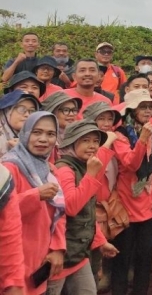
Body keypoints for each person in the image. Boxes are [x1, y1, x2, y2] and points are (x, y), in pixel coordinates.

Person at [49, 121, 118, 295]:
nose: (92, 146)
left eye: (95, 141)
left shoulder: (83, 166)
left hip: (78, 254)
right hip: (62, 254)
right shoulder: (65, 169)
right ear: (72, 142)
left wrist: (101, 241)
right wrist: (92, 175)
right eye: (86, 140)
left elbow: (86, 213)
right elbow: (71, 207)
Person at [111, 89, 152, 295]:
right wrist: (143, 140)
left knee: (144, 259)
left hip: (150, 206)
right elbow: (130, 164)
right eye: (142, 106)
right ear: (132, 110)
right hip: (127, 206)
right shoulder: (121, 135)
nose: (147, 110)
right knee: (123, 259)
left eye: (149, 107)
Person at [1, 112, 67, 295]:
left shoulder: (48, 168)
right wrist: (35, 194)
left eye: (50, 134)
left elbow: (59, 211)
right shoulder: (9, 168)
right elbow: (5, 212)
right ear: (25, 133)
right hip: (12, 266)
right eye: (36, 132)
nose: (43, 139)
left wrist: (58, 248)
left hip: (38, 263)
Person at [0, 161, 25, 295]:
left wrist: (14, 284)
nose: (43, 140)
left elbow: (8, 234)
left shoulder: (2, 177)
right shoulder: (11, 165)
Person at [0, 89, 41, 156]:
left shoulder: (38, 137)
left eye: (32, 111)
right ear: (7, 111)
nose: (27, 114)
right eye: (22, 109)